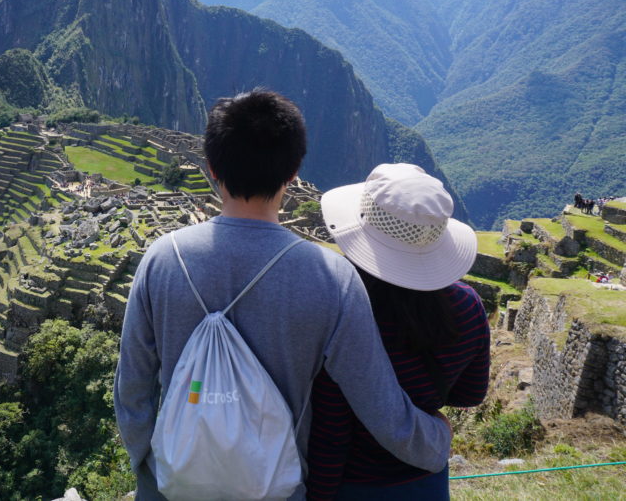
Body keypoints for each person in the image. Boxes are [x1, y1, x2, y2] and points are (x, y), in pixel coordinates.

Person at [114, 90, 452, 500]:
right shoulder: (332, 279)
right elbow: (380, 407)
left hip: (175, 485)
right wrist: (435, 441)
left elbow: (132, 391)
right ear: (293, 172)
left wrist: (148, 474)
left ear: (210, 167)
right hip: (274, 487)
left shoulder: (161, 261)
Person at [306, 163, 490, 500]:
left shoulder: (344, 311)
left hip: (352, 482)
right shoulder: (467, 306)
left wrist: (319, 494)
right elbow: (469, 395)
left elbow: (331, 431)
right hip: (424, 477)